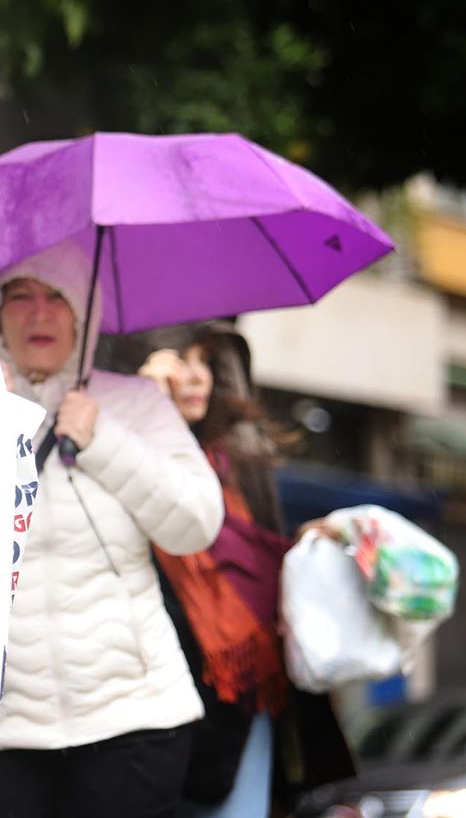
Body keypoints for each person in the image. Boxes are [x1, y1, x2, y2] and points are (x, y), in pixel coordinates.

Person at [0, 244, 224, 818]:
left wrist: (104, 441)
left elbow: (197, 524)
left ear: (83, 315)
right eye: (20, 297)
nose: (39, 314)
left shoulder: (135, 401)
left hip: (134, 717)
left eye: (57, 297)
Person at [116, 323, 355, 817]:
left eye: (207, 362)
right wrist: (137, 407)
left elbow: (260, 571)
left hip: (243, 701)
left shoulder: (238, 469)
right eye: (183, 359)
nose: (197, 376)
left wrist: (307, 557)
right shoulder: (119, 451)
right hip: (147, 699)